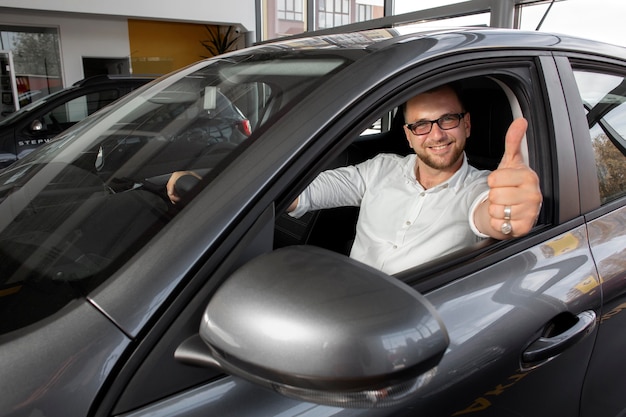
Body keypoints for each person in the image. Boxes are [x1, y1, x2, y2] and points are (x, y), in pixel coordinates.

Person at [168, 84, 542, 275]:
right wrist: (215, 185)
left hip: (419, 322)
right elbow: (304, 193)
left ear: (467, 124)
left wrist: (507, 215)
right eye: (422, 125)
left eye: (448, 120)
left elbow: (492, 216)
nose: (437, 135)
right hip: (350, 302)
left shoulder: (482, 189)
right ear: (409, 135)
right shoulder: (380, 168)